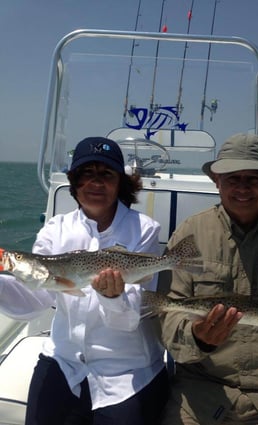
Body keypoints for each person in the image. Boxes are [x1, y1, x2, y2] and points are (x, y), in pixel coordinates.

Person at [0, 137, 169, 425]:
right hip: (63, 361)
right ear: (74, 182)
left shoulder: (144, 229)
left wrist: (113, 296)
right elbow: (36, 298)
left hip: (126, 372)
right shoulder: (56, 229)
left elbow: (133, 316)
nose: (96, 183)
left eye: (106, 174)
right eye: (86, 174)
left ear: (120, 183)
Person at [158, 133, 258, 425]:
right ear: (217, 181)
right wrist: (198, 337)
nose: (242, 188)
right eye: (233, 178)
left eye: (253, 179)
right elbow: (168, 319)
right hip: (202, 391)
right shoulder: (189, 234)